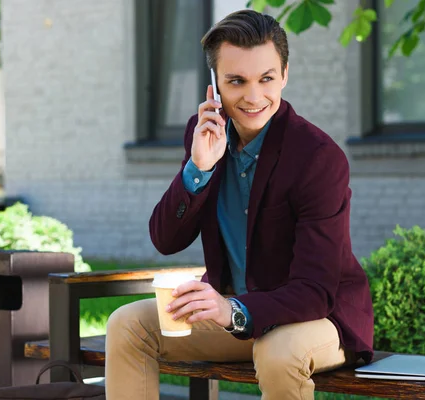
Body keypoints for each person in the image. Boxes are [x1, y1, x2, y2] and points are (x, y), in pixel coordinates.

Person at [105, 9, 374, 400]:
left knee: (278, 351)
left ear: (284, 74)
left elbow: (315, 289)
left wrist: (232, 309)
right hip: (234, 316)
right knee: (128, 324)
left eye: (266, 79)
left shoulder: (318, 157)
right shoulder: (204, 136)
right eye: (236, 81)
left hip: (319, 318)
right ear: (215, 83)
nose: (253, 97)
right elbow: (165, 238)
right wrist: (199, 167)